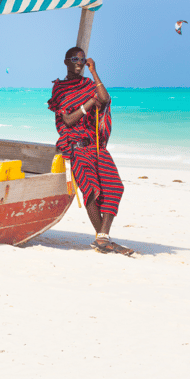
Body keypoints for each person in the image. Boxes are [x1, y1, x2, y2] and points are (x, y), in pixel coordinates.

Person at [47, 47, 133, 255]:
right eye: (75, 59)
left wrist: (94, 73)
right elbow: (67, 120)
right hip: (75, 147)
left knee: (115, 186)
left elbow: (104, 98)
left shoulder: (88, 84)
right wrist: (88, 104)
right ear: (66, 61)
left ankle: (102, 238)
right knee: (91, 190)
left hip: (95, 146)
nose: (79, 62)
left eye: (82, 59)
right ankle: (103, 239)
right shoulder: (60, 89)